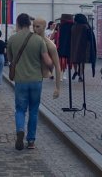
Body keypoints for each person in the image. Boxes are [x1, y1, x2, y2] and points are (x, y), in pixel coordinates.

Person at [7, 13, 53, 151]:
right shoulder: (38, 40)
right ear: (29, 24)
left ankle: (20, 129)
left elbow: (10, 59)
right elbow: (47, 60)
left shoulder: (12, 39)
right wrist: (53, 66)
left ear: (18, 24)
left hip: (20, 80)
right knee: (33, 111)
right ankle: (31, 141)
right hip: (36, 80)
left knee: (20, 109)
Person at [33, 17, 62, 98]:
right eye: (33, 26)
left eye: (37, 26)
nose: (35, 29)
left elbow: (57, 66)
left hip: (40, 76)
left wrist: (57, 88)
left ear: (44, 26)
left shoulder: (50, 45)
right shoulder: (29, 41)